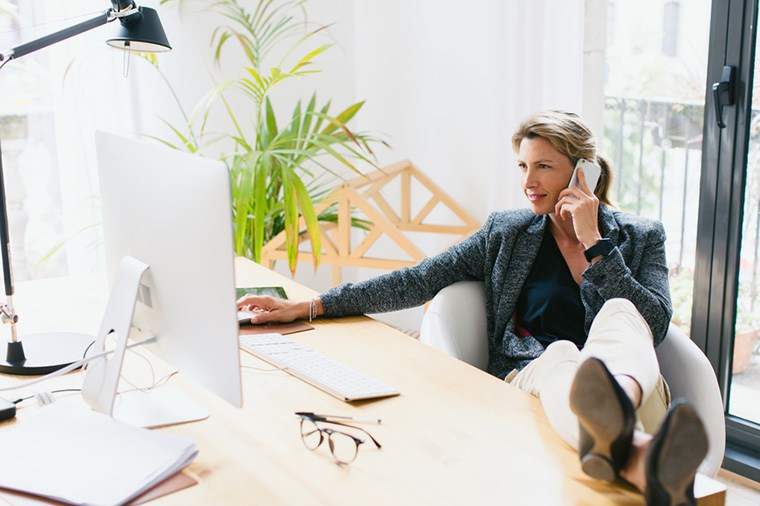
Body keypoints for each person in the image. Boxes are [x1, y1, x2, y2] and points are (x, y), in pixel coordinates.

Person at [238, 110, 708, 506]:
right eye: (522, 166)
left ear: (583, 172)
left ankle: (614, 409)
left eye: (543, 166)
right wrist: (313, 304)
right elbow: (420, 278)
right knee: (561, 353)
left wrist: (595, 244)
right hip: (538, 376)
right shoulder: (507, 233)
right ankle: (637, 449)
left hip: (634, 379)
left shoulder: (642, 236)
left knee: (622, 313)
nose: (528, 181)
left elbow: (654, 322)